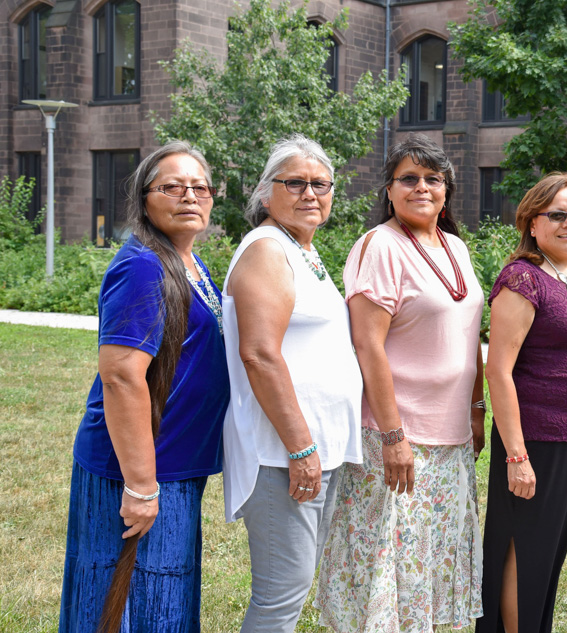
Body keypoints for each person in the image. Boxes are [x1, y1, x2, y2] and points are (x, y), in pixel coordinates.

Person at [59, 141, 231, 633]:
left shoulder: (187, 262)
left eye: (200, 187)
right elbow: (120, 375)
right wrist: (139, 485)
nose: (189, 196)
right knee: (127, 601)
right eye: (172, 187)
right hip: (135, 471)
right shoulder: (143, 266)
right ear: (144, 198)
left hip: (173, 464)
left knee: (164, 595)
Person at [316, 135, 485, 631]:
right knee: (390, 564)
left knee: (428, 561)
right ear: (388, 190)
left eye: (433, 179)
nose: (422, 188)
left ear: (447, 190)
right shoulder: (379, 246)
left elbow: (471, 330)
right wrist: (393, 437)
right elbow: (367, 347)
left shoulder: (454, 246)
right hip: (396, 435)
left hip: (450, 438)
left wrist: (476, 410)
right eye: (408, 179)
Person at [221, 134, 363, 632]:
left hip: (313, 450)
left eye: (320, 184)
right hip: (282, 451)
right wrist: (301, 448)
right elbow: (259, 354)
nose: (310, 193)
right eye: (295, 183)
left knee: (294, 587)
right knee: (281, 595)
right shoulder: (266, 250)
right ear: (266, 193)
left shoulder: (301, 249)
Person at [477, 173, 567, 633]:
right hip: (536, 439)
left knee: (550, 554)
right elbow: (498, 370)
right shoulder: (524, 278)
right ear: (532, 223)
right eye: (557, 214)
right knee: (526, 550)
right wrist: (516, 456)